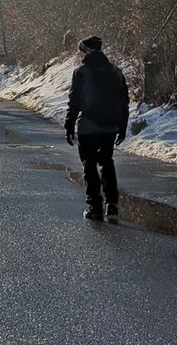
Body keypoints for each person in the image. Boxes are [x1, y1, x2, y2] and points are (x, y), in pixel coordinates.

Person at [65, 36, 129, 223]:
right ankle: (112, 204)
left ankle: (95, 207)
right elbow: (124, 101)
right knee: (107, 162)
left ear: (86, 51)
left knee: (90, 165)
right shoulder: (115, 71)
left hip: (88, 126)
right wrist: (122, 126)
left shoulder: (81, 72)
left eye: (80, 50)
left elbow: (74, 101)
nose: (78, 54)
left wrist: (69, 125)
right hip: (110, 127)